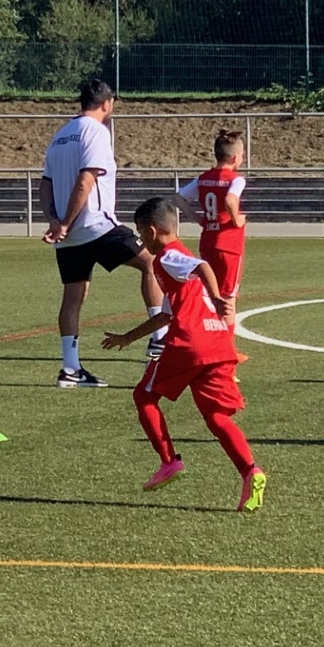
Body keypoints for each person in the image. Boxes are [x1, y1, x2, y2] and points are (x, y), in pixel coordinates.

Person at [102, 197, 266, 512]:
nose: (141, 240)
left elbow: (203, 266)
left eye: (141, 233)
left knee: (144, 397)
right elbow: (166, 314)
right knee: (216, 416)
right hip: (218, 342)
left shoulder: (168, 257)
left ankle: (169, 462)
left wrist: (217, 298)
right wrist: (128, 337)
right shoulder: (178, 263)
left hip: (190, 343)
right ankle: (251, 472)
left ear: (152, 231)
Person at [39, 77, 162, 388]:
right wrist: (66, 222)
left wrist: (55, 221)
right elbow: (85, 181)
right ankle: (160, 338)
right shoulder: (95, 132)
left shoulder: (60, 136)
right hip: (95, 225)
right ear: (107, 103)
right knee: (152, 263)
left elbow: (45, 185)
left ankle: (70, 369)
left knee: (73, 296)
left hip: (69, 236)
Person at [177, 129, 249, 313]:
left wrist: (198, 219)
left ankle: (209, 329)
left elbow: (178, 199)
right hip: (229, 244)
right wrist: (237, 220)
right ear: (235, 158)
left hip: (208, 242)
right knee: (228, 299)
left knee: (211, 295)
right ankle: (227, 333)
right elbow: (230, 200)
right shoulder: (236, 180)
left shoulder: (203, 179)